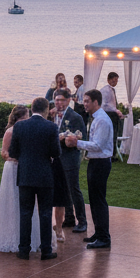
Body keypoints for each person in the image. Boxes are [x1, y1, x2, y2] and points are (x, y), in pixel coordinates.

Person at [0, 105, 51, 253]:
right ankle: (12, 236)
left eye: (27, 117)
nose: (27, 120)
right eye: (24, 118)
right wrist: (15, 158)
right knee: (13, 201)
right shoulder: (10, 131)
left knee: (26, 204)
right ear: (17, 118)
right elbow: (4, 152)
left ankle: (28, 238)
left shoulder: (27, 130)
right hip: (13, 168)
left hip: (25, 168)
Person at [8, 97, 60, 260]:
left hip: (25, 175)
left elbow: (13, 152)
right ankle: (46, 250)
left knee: (25, 213)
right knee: (45, 213)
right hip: (45, 175)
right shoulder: (51, 127)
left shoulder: (20, 126)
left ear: (31, 109)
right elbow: (56, 152)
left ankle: (24, 249)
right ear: (46, 110)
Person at [67, 89, 113, 249]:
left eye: (87, 101)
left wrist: (76, 143)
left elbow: (98, 145)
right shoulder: (96, 118)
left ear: (96, 102)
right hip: (95, 162)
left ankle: (104, 237)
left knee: (99, 200)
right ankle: (99, 233)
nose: (84, 104)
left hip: (100, 163)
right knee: (94, 200)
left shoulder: (102, 120)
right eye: (83, 101)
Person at [52, 87, 87, 236]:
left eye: (61, 100)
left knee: (73, 189)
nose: (59, 103)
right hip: (56, 158)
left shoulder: (75, 117)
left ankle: (82, 221)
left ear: (68, 100)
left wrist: (68, 139)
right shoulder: (51, 115)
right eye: (56, 100)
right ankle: (69, 218)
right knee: (61, 189)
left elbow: (82, 136)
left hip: (70, 157)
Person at [102, 71, 123, 143]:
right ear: (108, 80)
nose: (115, 82)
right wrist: (115, 110)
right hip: (109, 114)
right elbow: (104, 105)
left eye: (116, 81)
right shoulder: (105, 90)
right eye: (113, 80)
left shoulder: (112, 90)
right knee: (111, 135)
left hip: (113, 114)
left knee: (115, 133)